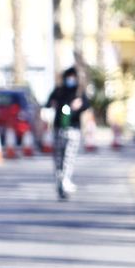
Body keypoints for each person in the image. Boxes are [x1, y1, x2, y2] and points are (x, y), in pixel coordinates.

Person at [46, 68, 90, 199]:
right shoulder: (58, 91)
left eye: (73, 77)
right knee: (59, 159)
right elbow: (48, 103)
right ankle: (59, 182)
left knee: (69, 157)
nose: (70, 80)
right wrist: (53, 105)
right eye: (68, 77)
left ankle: (66, 179)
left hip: (73, 129)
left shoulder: (79, 92)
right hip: (59, 128)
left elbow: (87, 105)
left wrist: (79, 106)